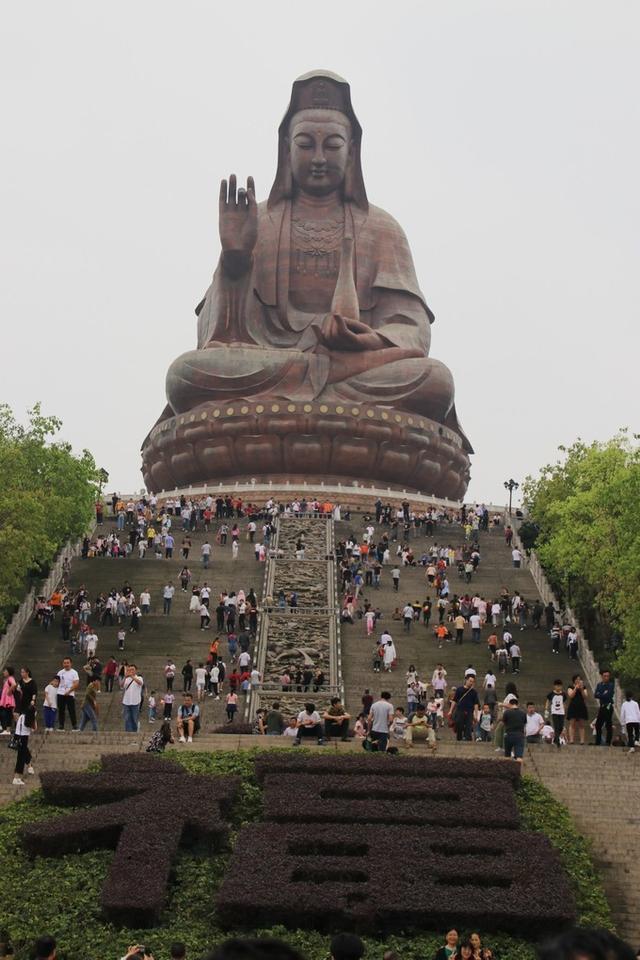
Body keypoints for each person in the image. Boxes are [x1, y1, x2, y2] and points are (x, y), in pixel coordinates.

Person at [450, 675, 479, 742]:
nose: (471, 683)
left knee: (469, 726)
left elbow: (476, 704)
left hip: (469, 711)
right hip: (460, 710)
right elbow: (454, 700)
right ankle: (459, 738)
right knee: (458, 723)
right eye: (470, 681)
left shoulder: (474, 692)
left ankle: (468, 739)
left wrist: (476, 715)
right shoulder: (459, 689)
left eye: (473, 682)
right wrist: (450, 710)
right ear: (466, 680)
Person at [56, 657, 80, 730]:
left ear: (71, 663)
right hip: (60, 693)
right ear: (63, 664)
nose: (66, 664)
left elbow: (76, 683)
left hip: (70, 694)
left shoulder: (74, 672)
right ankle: (61, 726)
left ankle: (74, 725)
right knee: (61, 710)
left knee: (71, 710)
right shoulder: (60, 672)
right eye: (65, 663)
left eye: (67, 663)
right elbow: (56, 682)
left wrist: (69, 691)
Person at [593, 669, 615, 746]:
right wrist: (603, 694)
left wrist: (601, 694)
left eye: (608, 676)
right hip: (602, 706)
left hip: (608, 705)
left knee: (608, 724)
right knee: (598, 724)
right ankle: (598, 742)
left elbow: (608, 695)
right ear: (602, 676)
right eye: (605, 676)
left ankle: (608, 742)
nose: (606, 677)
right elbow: (596, 695)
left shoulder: (611, 685)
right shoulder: (599, 685)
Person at [566, 674, 589, 745]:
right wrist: (575, 688)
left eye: (579, 679)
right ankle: (571, 740)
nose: (578, 680)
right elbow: (571, 695)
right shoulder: (570, 687)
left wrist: (581, 689)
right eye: (576, 679)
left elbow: (585, 696)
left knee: (581, 724)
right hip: (573, 706)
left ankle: (582, 741)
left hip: (581, 706)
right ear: (574, 680)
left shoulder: (584, 687)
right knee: (572, 723)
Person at [503, 696, 527, 762]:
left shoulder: (506, 712)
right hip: (519, 735)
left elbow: (504, 723)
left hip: (509, 734)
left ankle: (506, 770)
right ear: (517, 704)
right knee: (519, 756)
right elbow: (524, 723)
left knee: (507, 756)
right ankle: (518, 770)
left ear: (509, 704)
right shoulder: (523, 713)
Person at [121, 664, 144, 732]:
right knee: (127, 718)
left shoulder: (139, 678)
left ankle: (134, 731)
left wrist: (132, 676)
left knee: (134, 718)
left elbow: (140, 683)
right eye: (130, 669)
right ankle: (128, 731)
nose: (131, 671)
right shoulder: (127, 679)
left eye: (132, 669)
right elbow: (122, 685)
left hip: (135, 701)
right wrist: (125, 677)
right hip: (126, 701)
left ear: (135, 671)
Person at [545, 679, 567, 748]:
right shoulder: (551, 694)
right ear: (554, 686)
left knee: (561, 727)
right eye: (557, 686)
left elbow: (564, 703)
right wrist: (546, 709)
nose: (558, 687)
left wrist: (564, 710)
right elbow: (548, 701)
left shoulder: (563, 694)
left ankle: (555, 739)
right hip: (554, 712)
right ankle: (557, 741)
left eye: (560, 686)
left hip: (561, 712)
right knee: (556, 726)